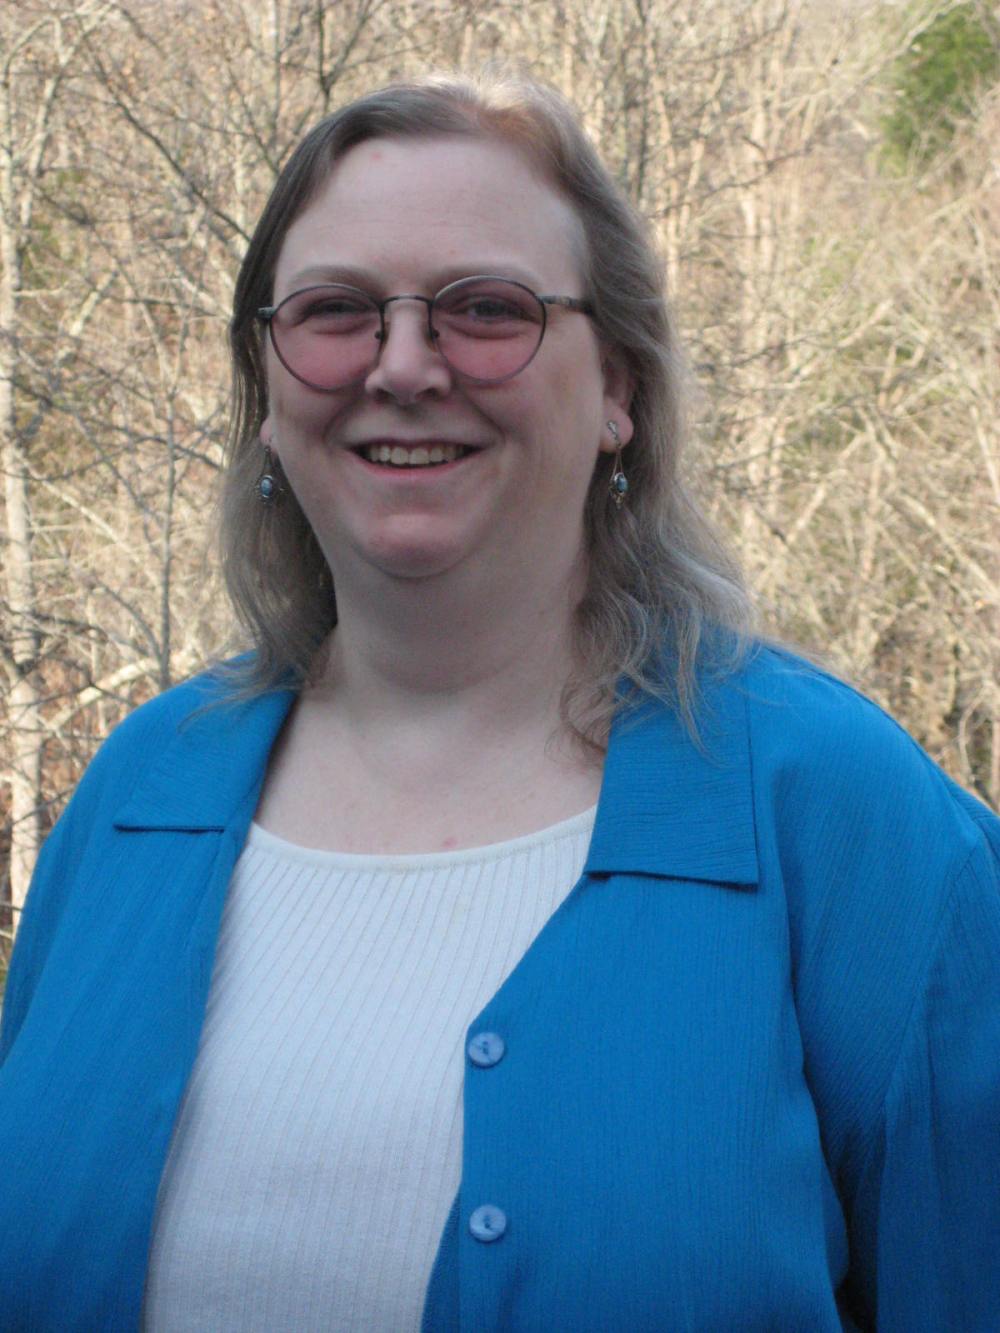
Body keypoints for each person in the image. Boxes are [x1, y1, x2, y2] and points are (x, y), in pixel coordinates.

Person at [0, 71, 998, 1333]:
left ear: (620, 391)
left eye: (485, 309)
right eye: (334, 312)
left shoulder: (845, 819)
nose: (403, 366)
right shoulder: (139, 793)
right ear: (267, 385)